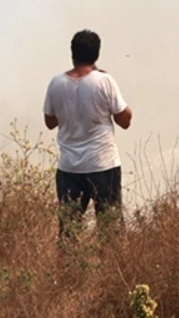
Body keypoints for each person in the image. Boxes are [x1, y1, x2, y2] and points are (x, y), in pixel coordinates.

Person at [42, 29, 133, 237]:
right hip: (103, 165)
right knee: (110, 230)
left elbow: (49, 122)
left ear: (72, 53)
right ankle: (111, 268)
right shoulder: (105, 81)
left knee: (69, 231)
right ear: (97, 55)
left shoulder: (56, 83)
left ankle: (68, 269)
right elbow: (125, 120)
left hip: (69, 169)